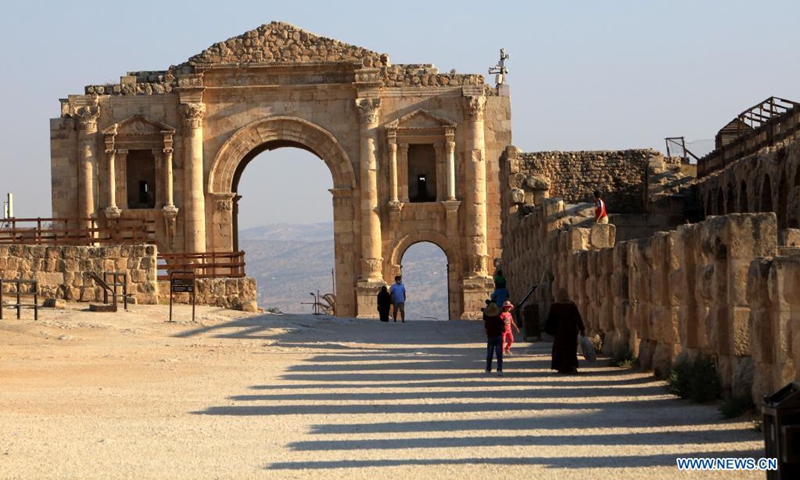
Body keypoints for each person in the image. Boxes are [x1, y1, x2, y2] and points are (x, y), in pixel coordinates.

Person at [546, 287, 586, 374]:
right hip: (571, 331)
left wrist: (549, 330)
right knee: (571, 349)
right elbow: (577, 318)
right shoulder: (571, 305)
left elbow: (550, 319)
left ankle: (561, 367)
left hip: (560, 331)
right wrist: (581, 328)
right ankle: (572, 366)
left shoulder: (555, 306)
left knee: (560, 349)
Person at [483, 302, 505, 376]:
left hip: (490, 337)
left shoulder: (487, 320)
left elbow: (486, 330)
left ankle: (488, 369)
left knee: (489, 354)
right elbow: (503, 330)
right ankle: (499, 369)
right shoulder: (499, 319)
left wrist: (489, 333)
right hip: (498, 337)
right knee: (499, 355)